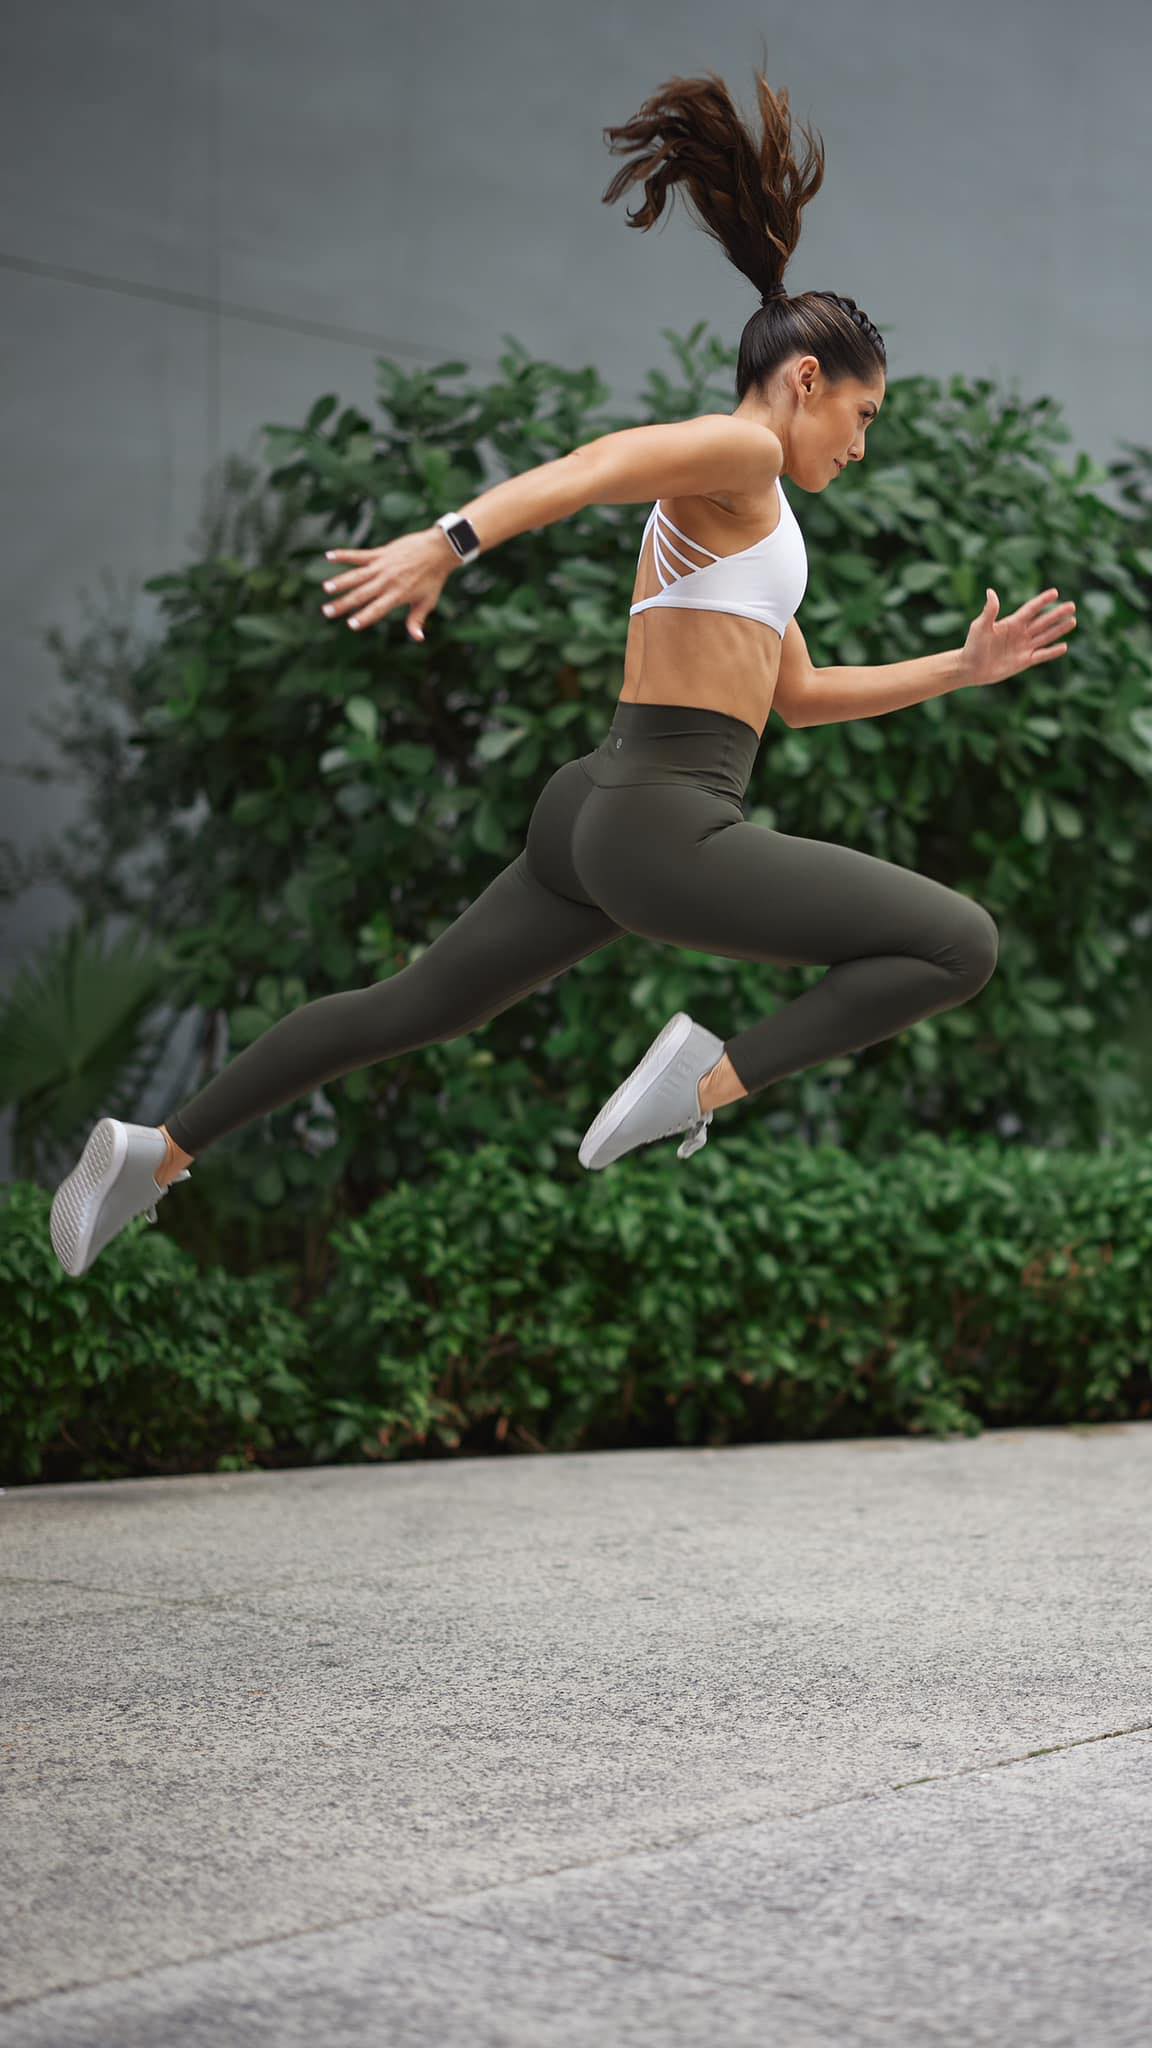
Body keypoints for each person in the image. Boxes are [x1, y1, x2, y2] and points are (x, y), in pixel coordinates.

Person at [50, 64, 1075, 1279]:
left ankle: (154, 1148)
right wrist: (451, 537)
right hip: (661, 822)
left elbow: (794, 694)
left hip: (594, 805)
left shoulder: (753, 511)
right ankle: (707, 1080)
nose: (861, 443)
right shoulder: (744, 448)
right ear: (808, 382)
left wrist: (958, 668)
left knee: (408, 1006)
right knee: (958, 943)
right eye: (863, 416)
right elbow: (601, 459)